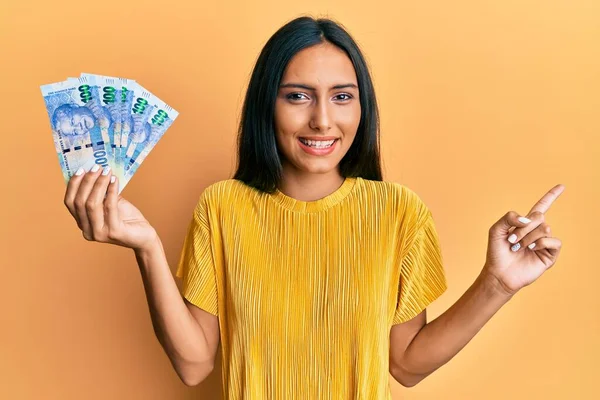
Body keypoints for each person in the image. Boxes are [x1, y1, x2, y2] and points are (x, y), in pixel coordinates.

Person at [62, 15, 564, 400]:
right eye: (298, 96)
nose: (323, 120)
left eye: (342, 96)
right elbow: (195, 365)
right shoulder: (223, 207)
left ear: (361, 108)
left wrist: (496, 285)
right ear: (267, 106)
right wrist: (147, 247)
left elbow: (407, 365)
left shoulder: (399, 212)